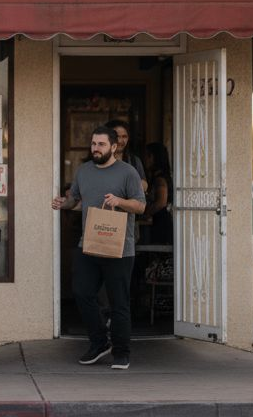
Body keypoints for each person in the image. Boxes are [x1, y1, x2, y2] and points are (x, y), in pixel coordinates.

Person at [51, 126, 146, 370]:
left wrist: (120, 201)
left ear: (114, 147)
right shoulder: (83, 171)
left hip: (120, 248)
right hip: (89, 243)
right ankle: (99, 343)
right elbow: (76, 202)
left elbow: (140, 206)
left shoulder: (128, 172)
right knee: (82, 293)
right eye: (93, 144)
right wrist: (63, 203)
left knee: (119, 302)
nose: (95, 148)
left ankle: (122, 352)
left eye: (101, 144)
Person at [105, 118, 148, 195]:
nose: (120, 141)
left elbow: (144, 185)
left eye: (124, 136)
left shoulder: (134, 160)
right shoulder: (98, 159)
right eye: (116, 136)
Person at [143, 141, 173, 245]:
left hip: (161, 223)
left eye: (147, 156)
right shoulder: (159, 176)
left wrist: (145, 213)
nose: (145, 160)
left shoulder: (160, 179)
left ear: (153, 157)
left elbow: (161, 202)